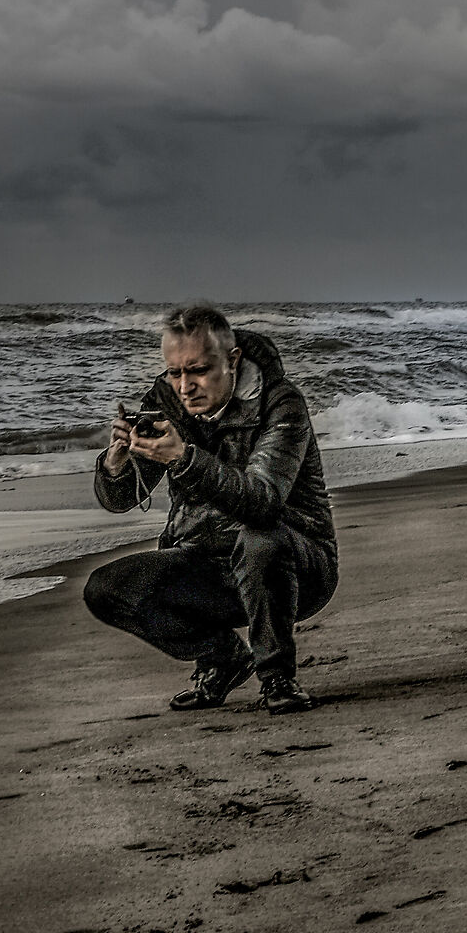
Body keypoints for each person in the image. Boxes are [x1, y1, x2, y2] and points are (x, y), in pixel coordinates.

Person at [83, 303, 337, 714]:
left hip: (296, 566)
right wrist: (116, 463)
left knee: (260, 540)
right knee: (105, 589)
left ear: (232, 361)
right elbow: (121, 500)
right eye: (175, 372)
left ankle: (276, 676)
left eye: (198, 370)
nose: (185, 386)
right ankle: (223, 657)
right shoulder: (165, 401)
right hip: (206, 562)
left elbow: (262, 501)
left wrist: (184, 459)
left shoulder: (281, 403)